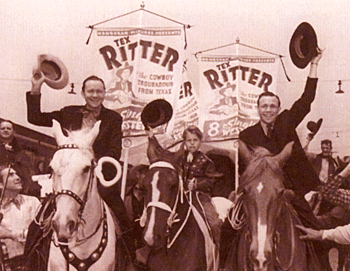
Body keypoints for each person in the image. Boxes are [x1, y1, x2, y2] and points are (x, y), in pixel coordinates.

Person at [25, 74, 135, 261]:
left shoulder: (113, 118)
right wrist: (36, 89)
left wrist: (90, 163)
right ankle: (27, 259)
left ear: (104, 93)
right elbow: (35, 118)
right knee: (39, 219)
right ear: (83, 93)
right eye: (90, 91)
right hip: (67, 177)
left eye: (99, 91)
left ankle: (131, 256)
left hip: (95, 174)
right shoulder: (68, 112)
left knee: (121, 213)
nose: (95, 95)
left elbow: (114, 150)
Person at [239, 48, 323, 229]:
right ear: (258, 109)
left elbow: (306, 99)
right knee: (229, 230)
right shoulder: (246, 135)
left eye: (272, 106)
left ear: (278, 109)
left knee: (316, 233)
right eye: (264, 106)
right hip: (258, 193)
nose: (268, 110)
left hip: (290, 191)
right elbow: (244, 170)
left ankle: (320, 257)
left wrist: (314, 64)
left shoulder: (286, 121)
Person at [0, 165, 40, 271]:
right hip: (10, 264)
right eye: (10, 175)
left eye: (16, 173)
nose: (17, 177)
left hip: (36, 261)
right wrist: (14, 234)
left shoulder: (33, 201)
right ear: (0, 184)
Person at [0, 120, 40, 198]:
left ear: (14, 131)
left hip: (18, 190)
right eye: (2, 128)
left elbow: (27, 172)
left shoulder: (22, 151)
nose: (5, 130)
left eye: (8, 128)